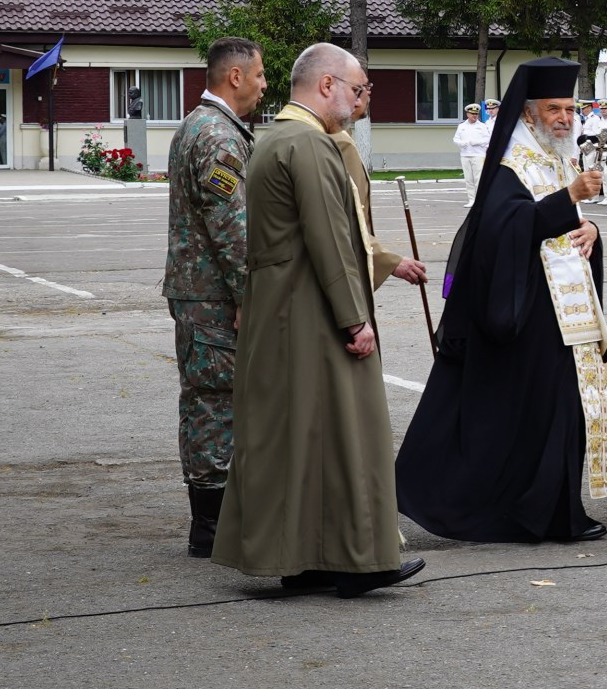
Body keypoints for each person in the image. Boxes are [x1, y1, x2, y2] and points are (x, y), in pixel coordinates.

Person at [213, 43, 422, 598]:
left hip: (283, 309)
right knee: (351, 435)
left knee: (301, 440)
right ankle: (361, 559)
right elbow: (331, 241)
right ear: (326, 85)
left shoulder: (274, 138)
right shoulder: (309, 143)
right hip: (309, 311)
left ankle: (305, 560)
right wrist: (355, 320)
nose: (359, 102)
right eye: (356, 90)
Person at [396, 58, 607, 544]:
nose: (565, 118)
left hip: (568, 313)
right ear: (528, 114)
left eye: (570, 108)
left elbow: (568, 225)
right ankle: (517, 512)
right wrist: (568, 200)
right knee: (532, 416)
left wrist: (592, 227)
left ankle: (562, 512)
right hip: (529, 315)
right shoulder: (508, 167)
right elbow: (502, 231)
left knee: (566, 412)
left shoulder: (559, 158)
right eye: (554, 108)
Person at [163, 36, 267, 556]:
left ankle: (213, 520)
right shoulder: (217, 136)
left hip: (198, 291)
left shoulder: (196, 125)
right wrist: (249, 295)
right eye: (260, 75)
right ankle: (211, 525)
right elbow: (230, 226)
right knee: (214, 404)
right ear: (235, 77)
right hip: (212, 297)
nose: (264, 85)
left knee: (208, 401)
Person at [329, 70, 430, 294]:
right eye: (362, 86)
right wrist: (388, 261)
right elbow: (344, 218)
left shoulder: (341, 134)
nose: (368, 92)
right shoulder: (335, 141)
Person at [454, 103, 489, 203]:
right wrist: (461, 143)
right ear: (467, 114)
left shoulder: (482, 126)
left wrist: (477, 142)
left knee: (478, 179)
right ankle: (471, 200)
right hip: (465, 154)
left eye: (476, 114)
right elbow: (455, 139)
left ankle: (479, 201)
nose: (475, 116)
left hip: (478, 154)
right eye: (472, 113)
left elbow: (487, 139)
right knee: (469, 179)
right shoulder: (461, 126)